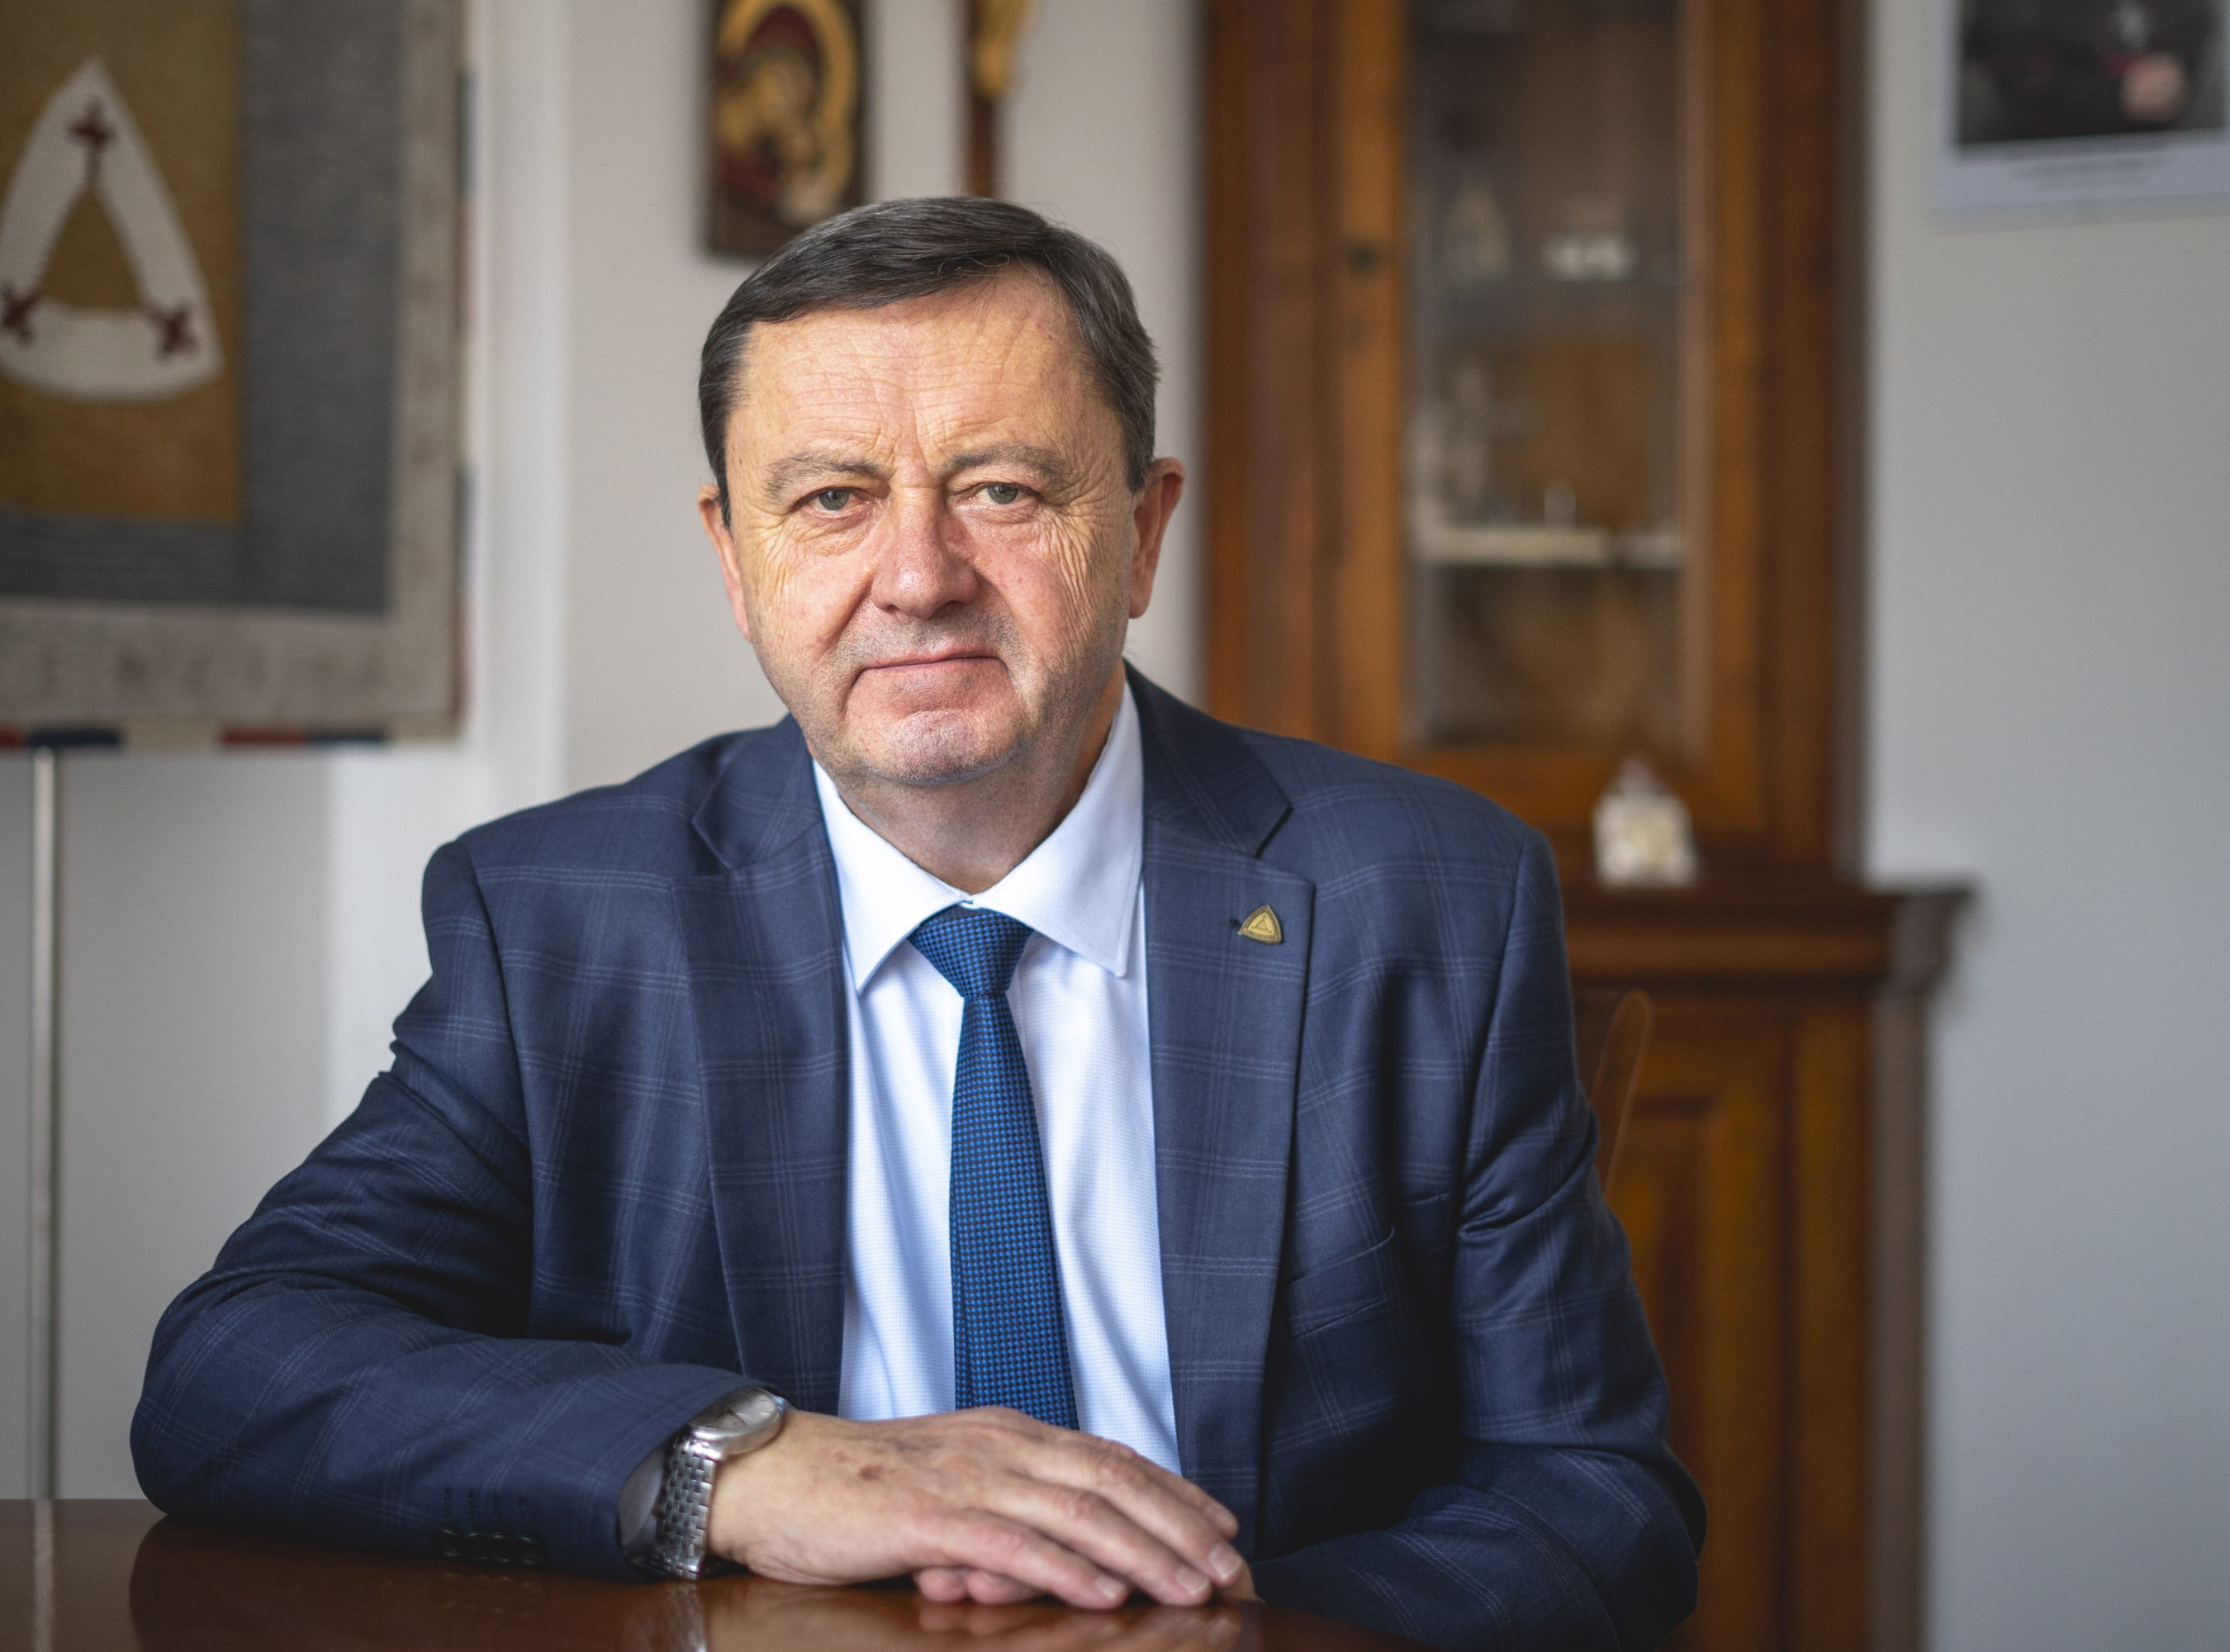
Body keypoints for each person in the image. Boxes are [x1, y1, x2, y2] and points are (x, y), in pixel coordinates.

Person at [132, 197, 1703, 1651]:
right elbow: (235, 1371)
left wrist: (1198, 1630)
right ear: (734, 560)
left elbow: (1594, 1495)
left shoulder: (1429, 902)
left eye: (1001, 490)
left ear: (1144, 532)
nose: (916, 577)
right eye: (831, 500)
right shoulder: (558, 926)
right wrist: (741, 1467)